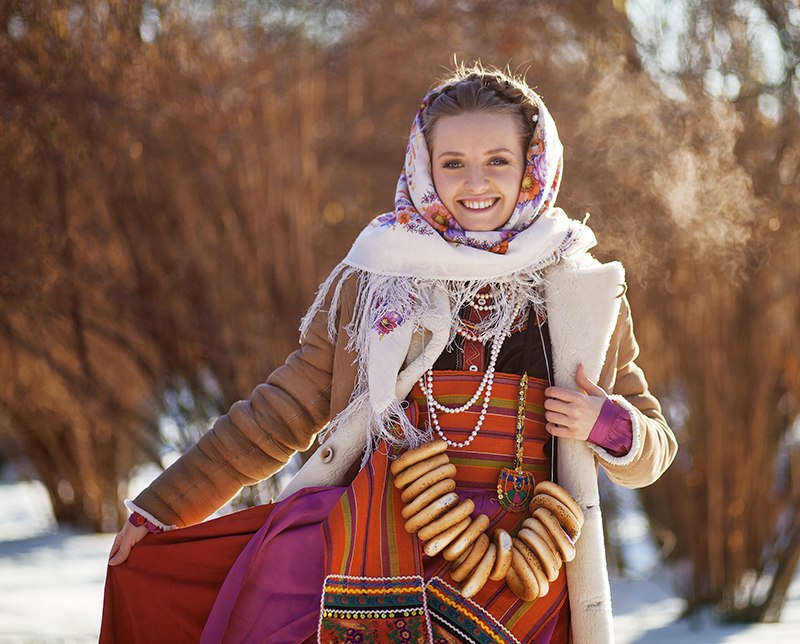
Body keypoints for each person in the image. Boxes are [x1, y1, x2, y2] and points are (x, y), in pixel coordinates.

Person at [102, 63, 676, 644]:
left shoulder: (582, 291)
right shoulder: (377, 277)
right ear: (424, 169)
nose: (475, 183)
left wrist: (607, 424)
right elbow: (279, 412)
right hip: (376, 540)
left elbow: (655, 446)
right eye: (453, 163)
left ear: (533, 167)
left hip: (522, 568)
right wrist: (163, 508)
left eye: (498, 161)